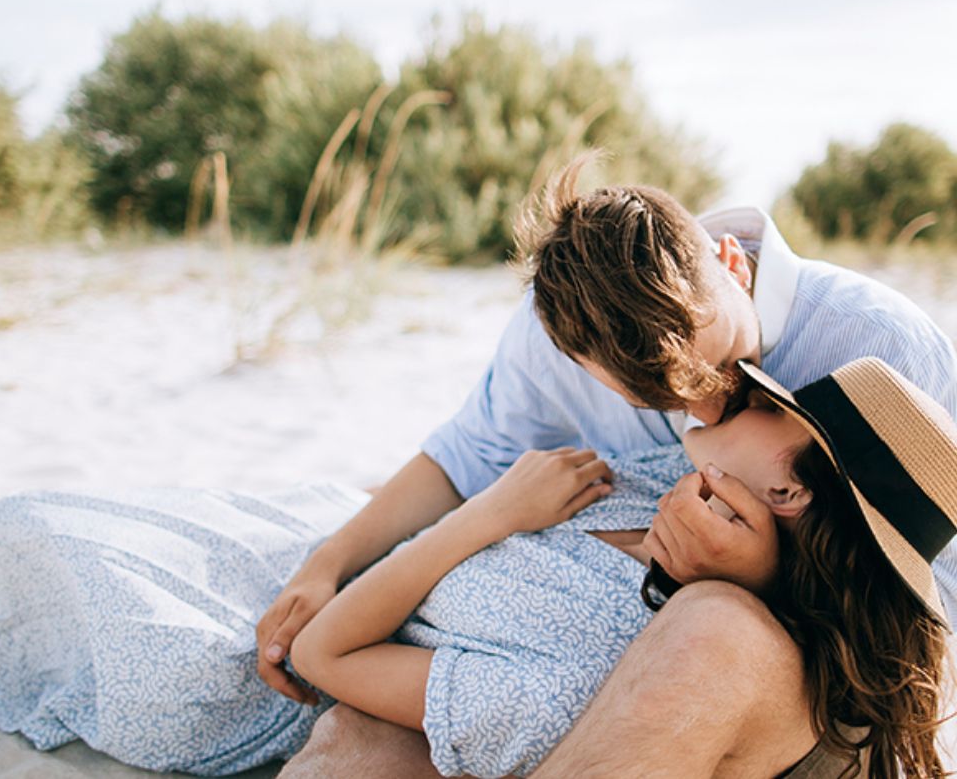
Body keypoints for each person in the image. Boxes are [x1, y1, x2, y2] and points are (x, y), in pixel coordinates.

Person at [0, 358, 951, 779]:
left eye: (760, 405)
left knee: (54, 595)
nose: (731, 395)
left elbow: (323, 661)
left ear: (786, 495)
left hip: (303, 642)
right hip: (350, 551)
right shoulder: (653, 484)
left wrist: (487, 514)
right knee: (19, 586)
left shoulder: (582, 674)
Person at [271, 155, 957, 777]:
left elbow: (923, 621)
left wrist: (762, 577)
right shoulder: (559, 336)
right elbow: (467, 458)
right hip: (563, 655)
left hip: (818, 681)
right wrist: (328, 563)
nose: (705, 410)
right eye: (662, 399)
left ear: (730, 261)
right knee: (359, 742)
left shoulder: (875, 345)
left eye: (727, 371)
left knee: (711, 630)